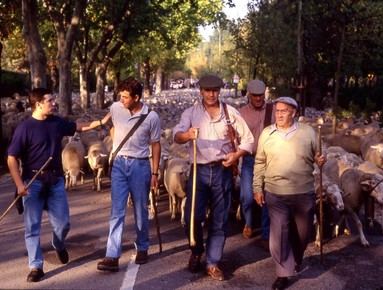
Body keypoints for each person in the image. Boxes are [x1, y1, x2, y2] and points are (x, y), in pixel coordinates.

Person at [7, 88, 105, 282]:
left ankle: (58, 244)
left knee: (63, 224)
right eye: (50, 100)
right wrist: (19, 185)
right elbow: (11, 158)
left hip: (55, 181)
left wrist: (101, 121)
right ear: (38, 104)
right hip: (32, 182)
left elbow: (79, 127)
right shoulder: (24, 128)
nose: (54, 103)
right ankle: (36, 266)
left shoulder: (57, 123)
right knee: (32, 227)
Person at [173, 74, 254, 281]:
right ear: (201, 91)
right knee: (193, 217)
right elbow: (177, 135)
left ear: (219, 91)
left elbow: (249, 140)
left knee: (219, 219)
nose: (211, 94)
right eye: (207, 90)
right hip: (198, 171)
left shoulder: (230, 113)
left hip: (222, 171)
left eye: (215, 90)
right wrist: (187, 135)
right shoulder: (191, 113)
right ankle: (197, 249)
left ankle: (213, 262)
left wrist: (236, 155)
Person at [252, 96, 326, 290]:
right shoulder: (267, 134)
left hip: (303, 192)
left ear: (294, 112)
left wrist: (320, 160)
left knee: (303, 234)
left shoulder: (308, 132)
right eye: (277, 111)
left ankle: (297, 256)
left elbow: (319, 155)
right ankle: (283, 273)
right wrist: (257, 187)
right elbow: (259, 162)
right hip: (275, 192)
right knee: (279, 233)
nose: (279, 115)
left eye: (284, 111)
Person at [97, 78, 161, 272]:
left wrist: (155, 172)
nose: (121, 99)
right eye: (120, 96)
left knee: (141, 209)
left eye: (125, 97)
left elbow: (156, 144)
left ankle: (142, 247)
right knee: (117, 211)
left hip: (140, 165)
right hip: (119, 164)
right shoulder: (116, 108)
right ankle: (112, 254)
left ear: (136, 97)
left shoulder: (151, 117)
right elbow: (110, 123)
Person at [239, 80, 274, 246]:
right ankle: (249, 222)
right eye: (255, 96)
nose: (259, 98)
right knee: (247, 196)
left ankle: (267, 234)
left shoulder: (273, 111)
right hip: (249, 159)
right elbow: (235, 137)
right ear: (249, 95)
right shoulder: (241, 114)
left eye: (261, 95)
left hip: (269, 159)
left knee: (267, 196)